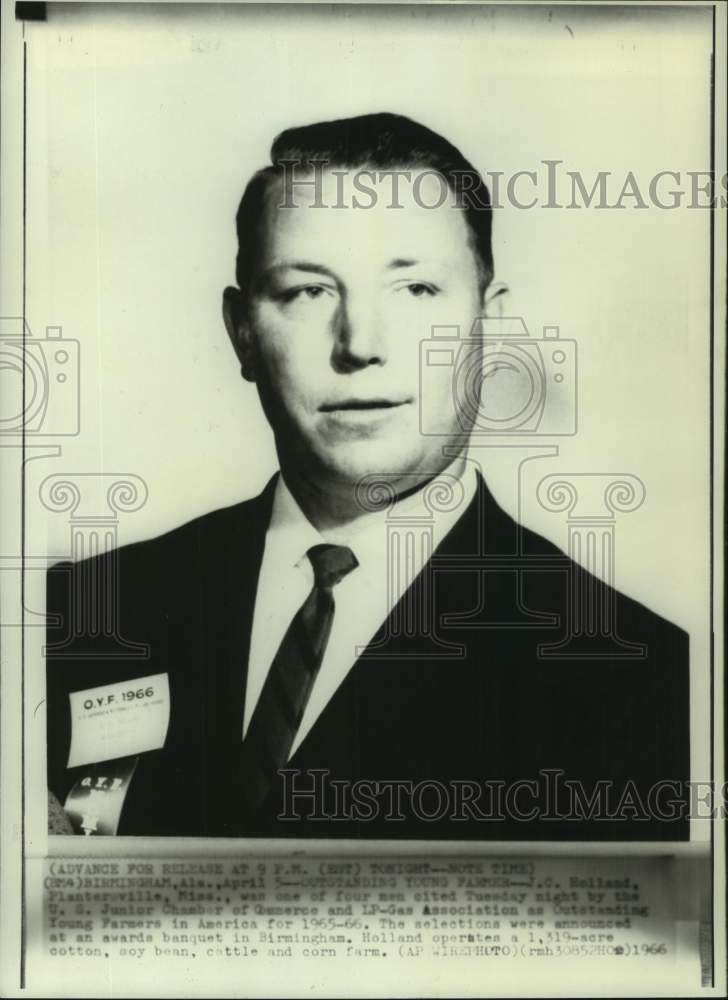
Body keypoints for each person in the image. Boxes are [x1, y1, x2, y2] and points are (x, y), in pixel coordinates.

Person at [46, 113, 689, 839]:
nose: (361, 345)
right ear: (242, 334)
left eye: (416, 291)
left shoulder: (645, 678)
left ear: (491, 329)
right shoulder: (77, 615)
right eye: (305, 292)